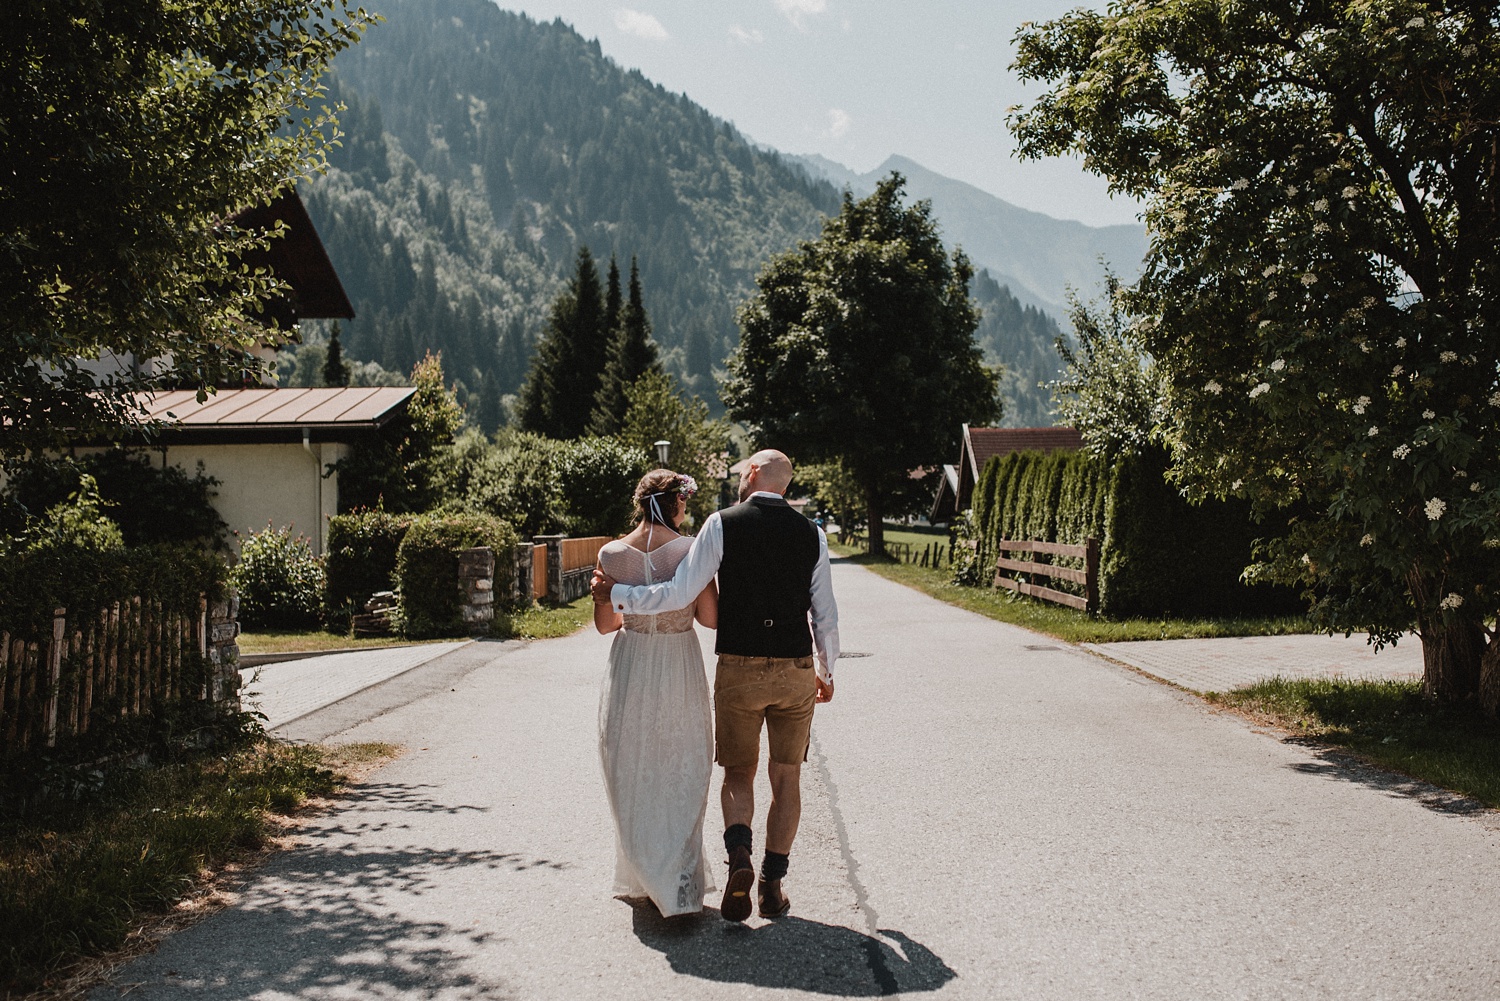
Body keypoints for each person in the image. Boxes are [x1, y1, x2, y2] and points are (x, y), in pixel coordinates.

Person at [592, 449, 839, 923]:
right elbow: (824, 613)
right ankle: (772, 882)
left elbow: (682, 593)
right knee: (786, 776)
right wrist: (826, 673)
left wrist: (618, 594)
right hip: (794, 670)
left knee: (738, 772)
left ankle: (740, 857)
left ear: (751, 474)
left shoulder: (721, 524)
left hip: (740, 669)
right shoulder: (814, 535)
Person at [594, 469, 719, 918]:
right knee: (682, 763)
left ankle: (644, 874)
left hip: (630, 664)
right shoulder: (690, 550)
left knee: (630, 763)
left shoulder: (610, 553)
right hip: (678, 662)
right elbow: (710, 618)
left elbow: (606, 624)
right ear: (677, 504)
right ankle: (680, 885)